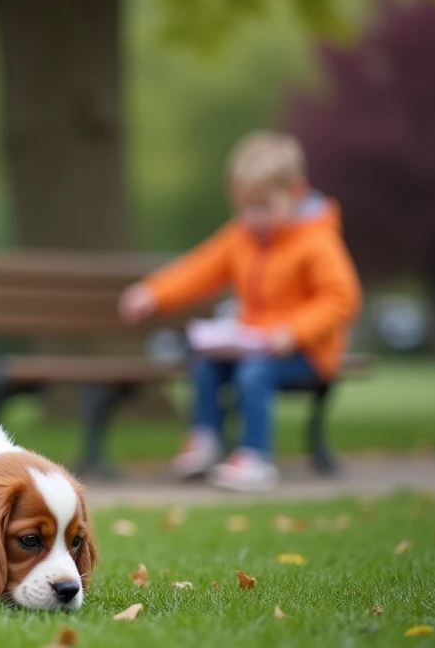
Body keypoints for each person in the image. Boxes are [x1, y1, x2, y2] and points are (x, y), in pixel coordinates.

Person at [119, 131, 361, 491]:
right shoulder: (242, 236)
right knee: (206, 364)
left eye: (262, 206)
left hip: (307, 350)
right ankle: (206, 441)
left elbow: (342, 298)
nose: (252, 217)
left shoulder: (316, 240)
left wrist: (292, 332)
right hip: (253, 342)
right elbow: (200, 269)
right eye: (244, 207)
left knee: (254, 373)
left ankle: (255, 457)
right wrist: (153, 292)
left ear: (295, 192)